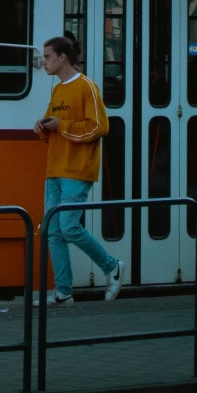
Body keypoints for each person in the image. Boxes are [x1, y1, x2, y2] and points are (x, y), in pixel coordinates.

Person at [35, 34, 123, 306]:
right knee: (53, 231)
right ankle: (63, 293)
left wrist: (59, 125)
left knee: (69, 227)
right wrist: (42, 127)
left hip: (77, 169)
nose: (44, 62)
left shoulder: (87, 86)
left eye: (48, 56)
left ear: (63, 58)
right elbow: (56, 124)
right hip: (56, 168)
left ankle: (112, 267)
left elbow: (100, 127)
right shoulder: (57, 89)